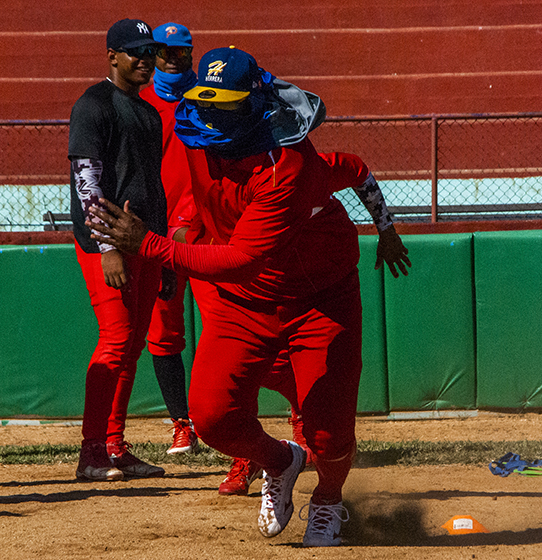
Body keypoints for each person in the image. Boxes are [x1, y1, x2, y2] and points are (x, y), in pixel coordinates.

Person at [87, 46, 409, 546]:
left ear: (256, 107)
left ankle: (327, 500)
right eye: (205, 100)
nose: (210, 113)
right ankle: (280, 462)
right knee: (212, 417)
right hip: (246, 302)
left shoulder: (291, 167)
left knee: (329, 431)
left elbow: (244, 256)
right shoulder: (196, 137)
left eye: (225, 105)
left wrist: (385, 227)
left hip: (318, 301)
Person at [68, 18, 169, 481]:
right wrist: (107, 244)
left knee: (130, 347)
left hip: (145, 242)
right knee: (115, 338)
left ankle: (113, 445)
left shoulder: (147, 113)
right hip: (106, 243)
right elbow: (86, 178)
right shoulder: (93, 105)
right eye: (135, 52)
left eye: (149, 52)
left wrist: (163, 252)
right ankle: (91, 452)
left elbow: (155, 187)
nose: (145, 60)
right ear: (112, 55)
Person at [138, 22, 200, 456]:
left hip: (214, 229)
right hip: (164, 234)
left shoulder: (210, 95)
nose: (174, 59)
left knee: (241, 324)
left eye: (181, 52)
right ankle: (182, 423)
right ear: (154, 54)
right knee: (163, 331)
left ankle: (282, 421)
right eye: (166, 52)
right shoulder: (141, 104)